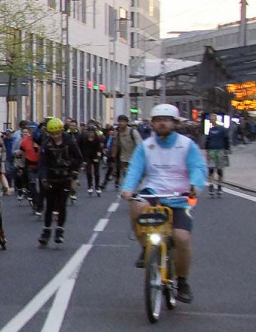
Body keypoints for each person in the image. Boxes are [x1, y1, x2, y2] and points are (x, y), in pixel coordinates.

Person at [121, 103, 208, 303]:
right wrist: (127, 188)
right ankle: (145, 248)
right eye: (158, 120)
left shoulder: (187, 145)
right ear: (152, 123)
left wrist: (195, 185)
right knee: (137, 205)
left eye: (166, 120)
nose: (162, 123)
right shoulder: (145, 146)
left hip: (180, 196)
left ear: (175, 123)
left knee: (181, 238)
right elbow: (135, 169)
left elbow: (198, 168)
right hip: (153, 193)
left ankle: (183, 281)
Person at [34, 117, 82, 247]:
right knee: (49, 205)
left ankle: (60, 230)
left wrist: (71, 167)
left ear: (62, 131)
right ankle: (46, 231)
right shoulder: (47, 144)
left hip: (65, 178)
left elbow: (79, 158)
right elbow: (42, 163)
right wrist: (43, 177)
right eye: (52, 134)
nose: (55, 136)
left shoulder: (69, 142)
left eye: (57, 133)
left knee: (61, 205)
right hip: (51, 178)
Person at [204, 120, 231, 193]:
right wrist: (207, 151)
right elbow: (207, 141)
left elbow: (226, 140)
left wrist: (226, 150)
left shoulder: (221, 129)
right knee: (212, 169)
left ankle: (218, 185)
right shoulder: (211, 129)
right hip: (213, 150)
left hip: (219, 150)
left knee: (218, 169)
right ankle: (212, 185)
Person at [78, 121, 104, 195]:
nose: (91, 134)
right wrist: (83, 159)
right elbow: (82, 148)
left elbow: (100, 149)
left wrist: (98, 157)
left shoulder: (97, 138)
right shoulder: (85, 138)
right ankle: (90, 186)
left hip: (95, 155)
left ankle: (97, 187)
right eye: (90, 132)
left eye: (92, 132)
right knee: (88, 171)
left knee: (96, 172)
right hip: (87, 156)